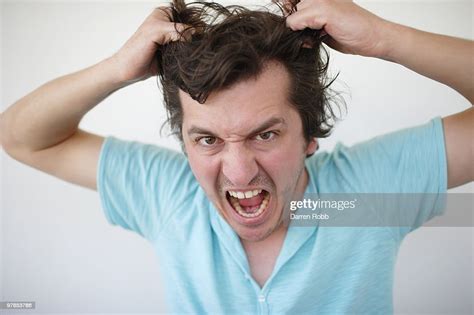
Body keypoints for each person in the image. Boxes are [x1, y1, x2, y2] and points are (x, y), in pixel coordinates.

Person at [1, 0, 472, 313]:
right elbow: (22, 137)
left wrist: (385, 37)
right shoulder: (170, 197)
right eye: (207, 140)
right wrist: (117, 69)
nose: (239, 170)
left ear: (309, 132)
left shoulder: (365, 198)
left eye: (264, 134)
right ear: (183, 139)